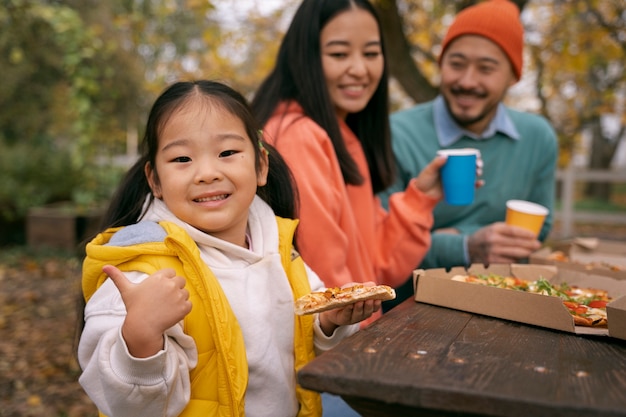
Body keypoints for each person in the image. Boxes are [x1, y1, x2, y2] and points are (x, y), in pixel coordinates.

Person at [77, 80, 381, 417]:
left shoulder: (279, 248)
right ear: (155, 181)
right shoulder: (140, 271)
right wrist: (140, 336)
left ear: (260, 165)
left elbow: (297, 346)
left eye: (227, 153)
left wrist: (329, 322)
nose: (207, 173)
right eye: (182, 158)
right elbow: (124, 405)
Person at [251, 0, 444, 327]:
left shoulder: (342, 135)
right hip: (329, 351)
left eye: (371, 53)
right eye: (339, 54)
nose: (359, 69)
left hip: (351, 342)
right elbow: (330, 288)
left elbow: (378, 265)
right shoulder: (299, 137)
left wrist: (420, 198)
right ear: (306, 57)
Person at [379, 0, 559, 310]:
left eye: (486, 69)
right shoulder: (395, 134)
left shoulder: (537, 137)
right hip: (410, 308)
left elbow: (538, 227)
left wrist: (449, 235)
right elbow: (377, 240)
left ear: (513, 76)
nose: (467, 81)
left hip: (506, 302)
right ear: (441, 63)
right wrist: (463, 246)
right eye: (457, 63)